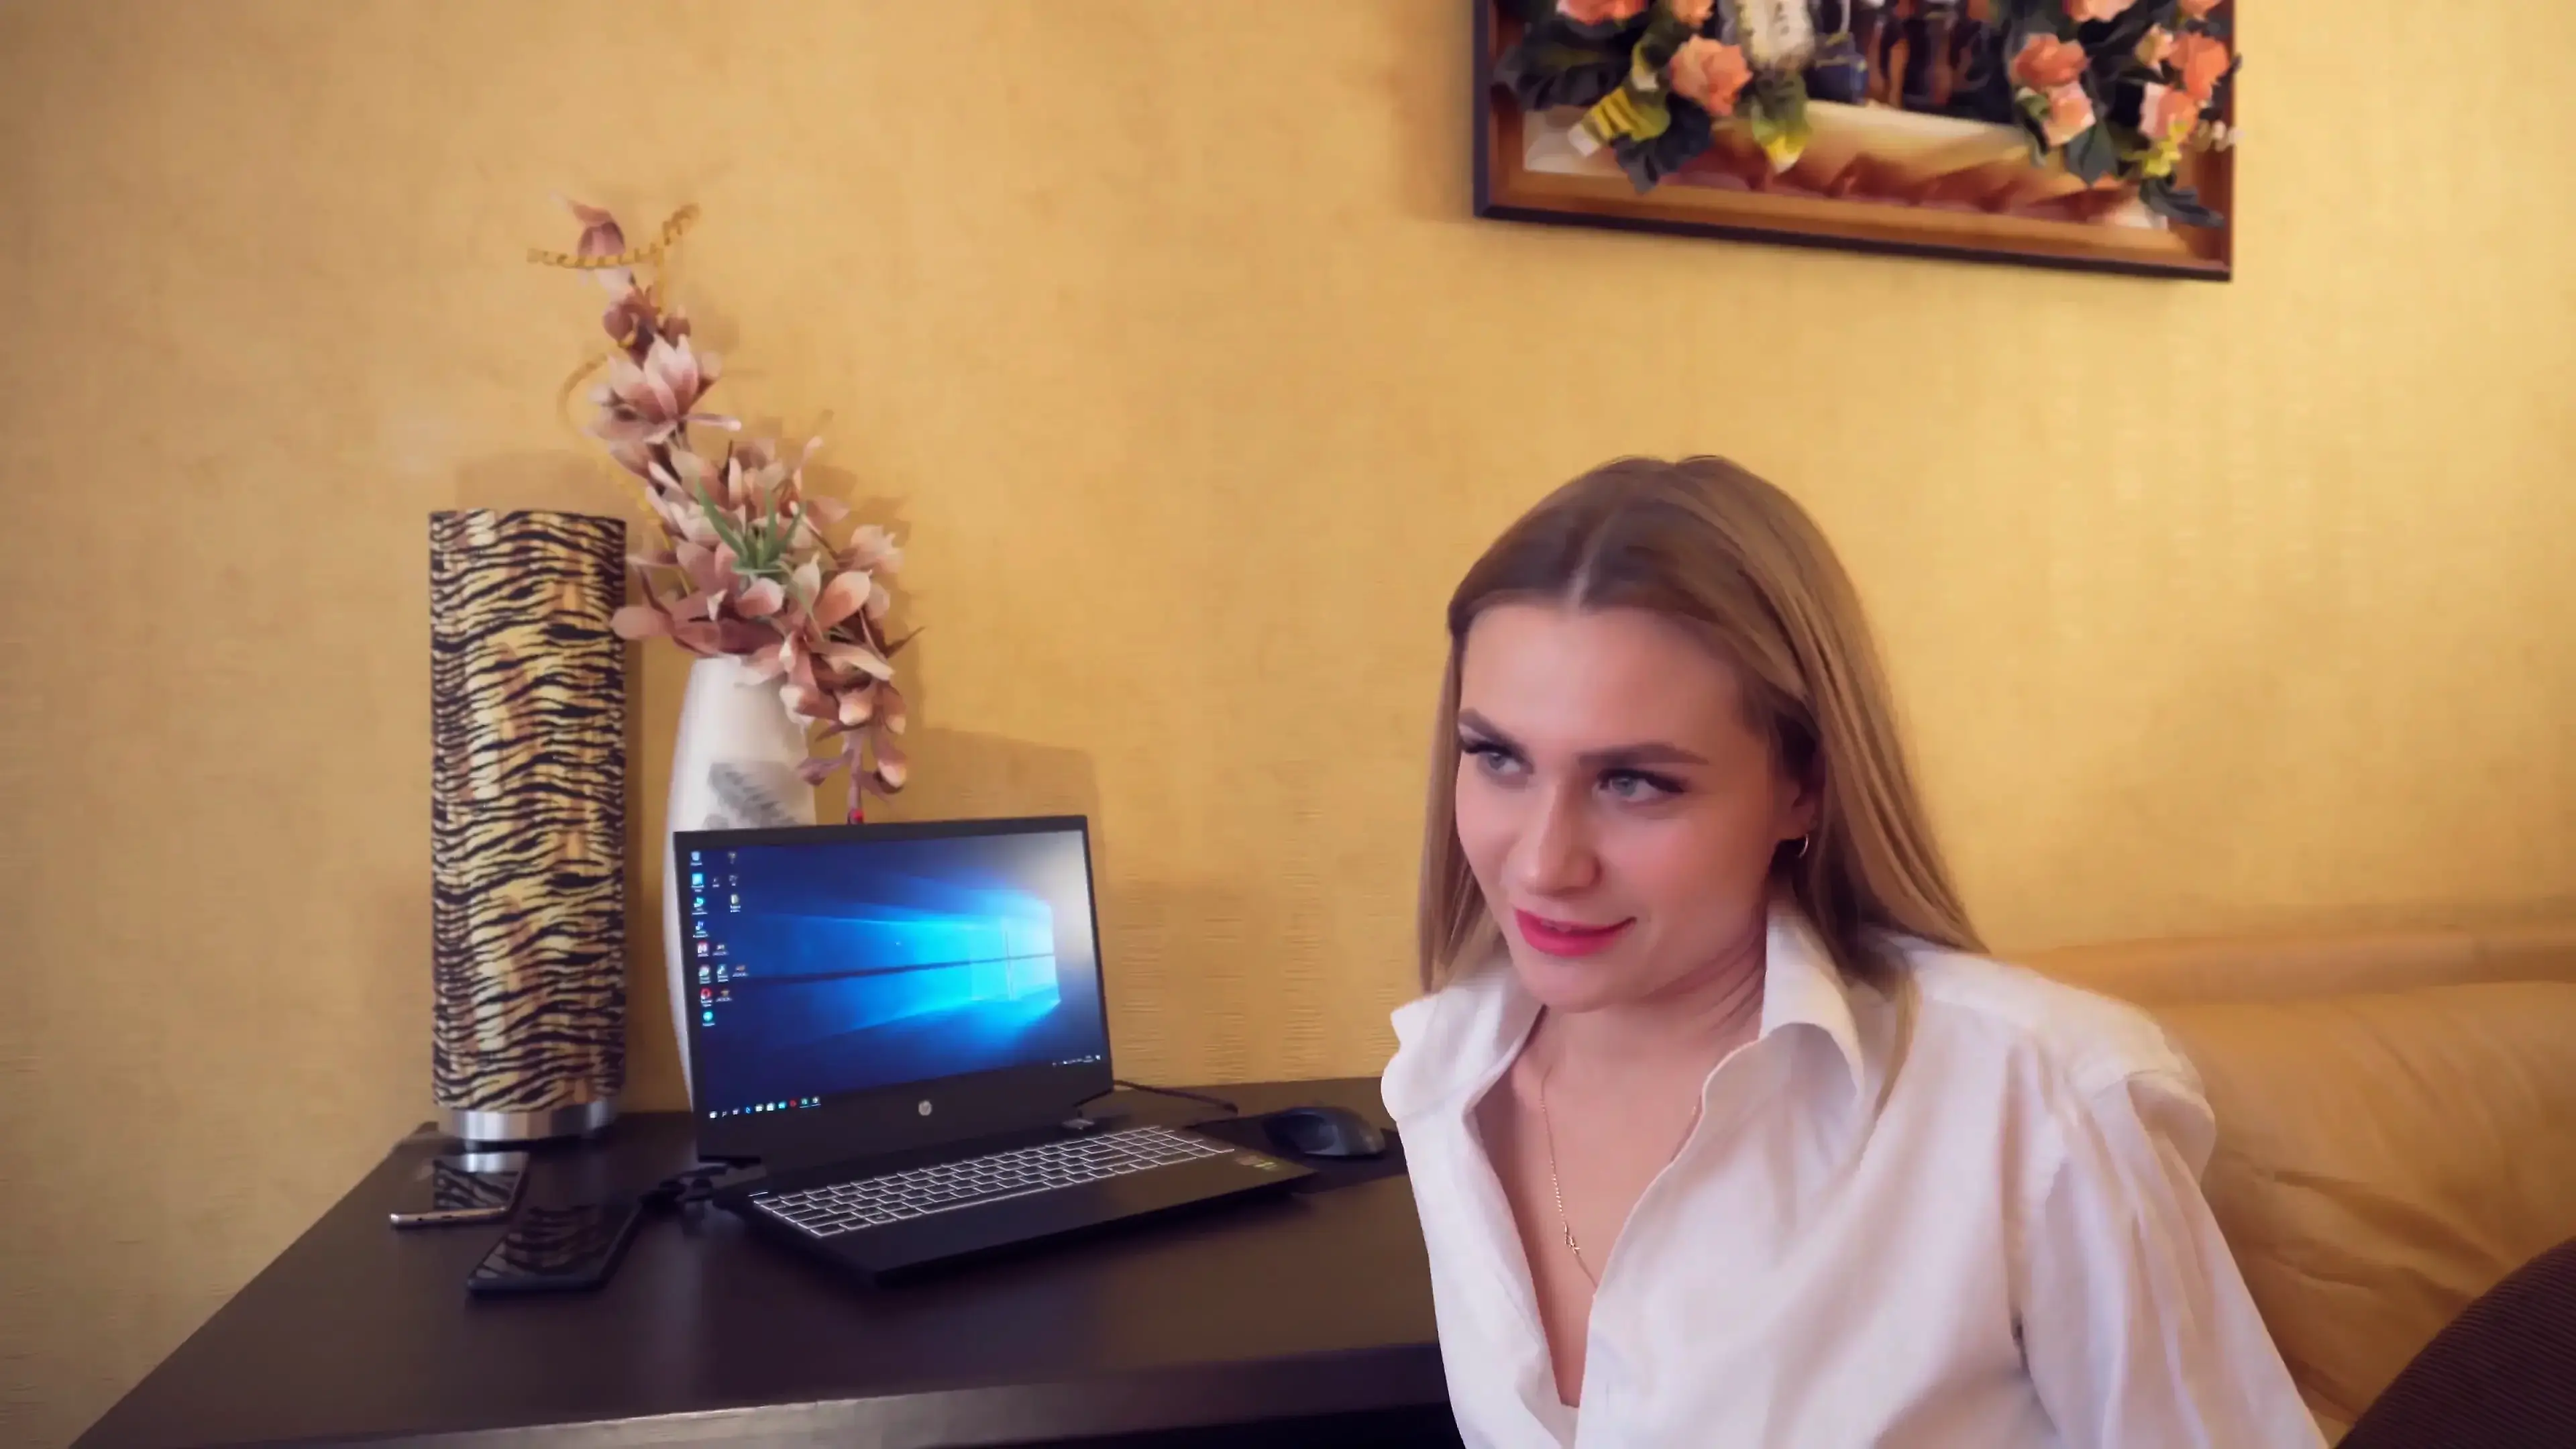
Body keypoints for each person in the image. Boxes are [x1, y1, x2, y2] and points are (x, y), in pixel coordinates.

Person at [1381, 456, 2323, 1448]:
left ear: (1805, 787)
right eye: (1499, 758)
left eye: (1635, 783)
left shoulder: (2039, 1102)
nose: (1543, 863)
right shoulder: (1442, 1084)